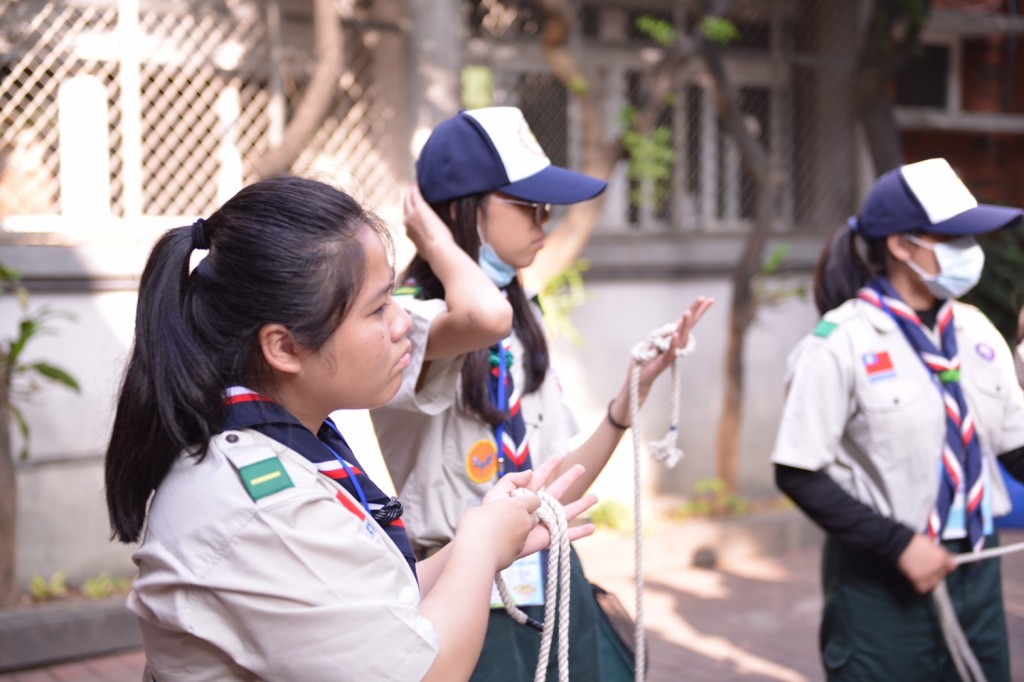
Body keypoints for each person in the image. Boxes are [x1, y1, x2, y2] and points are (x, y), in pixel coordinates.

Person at [103, 175, 598, 682]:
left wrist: (487, 542)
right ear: (285, 347)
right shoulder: (262, 505)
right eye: (378, 307)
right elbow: (425, 673)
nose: (403, 323)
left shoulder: (284, 448)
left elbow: (373, 600)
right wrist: (477, 545)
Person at [369, 106, 713, 681]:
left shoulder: (522, 316)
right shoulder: (403, 320)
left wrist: (623, 408)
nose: (544, 222)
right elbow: (482, 316)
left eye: (546, 208)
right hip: (466, 583)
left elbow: (554, 477)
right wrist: (432, 236)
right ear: (461, 210)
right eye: (527, 206)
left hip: (549, 572)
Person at [771, 158, 1024, 680]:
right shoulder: (840, 342)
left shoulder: (976, 332)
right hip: (880, 584)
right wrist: (900, 546)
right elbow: (798, 471)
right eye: (953, 238)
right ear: (902, 245)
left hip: (976, 569)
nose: (970, 252)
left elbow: (1013, 446)